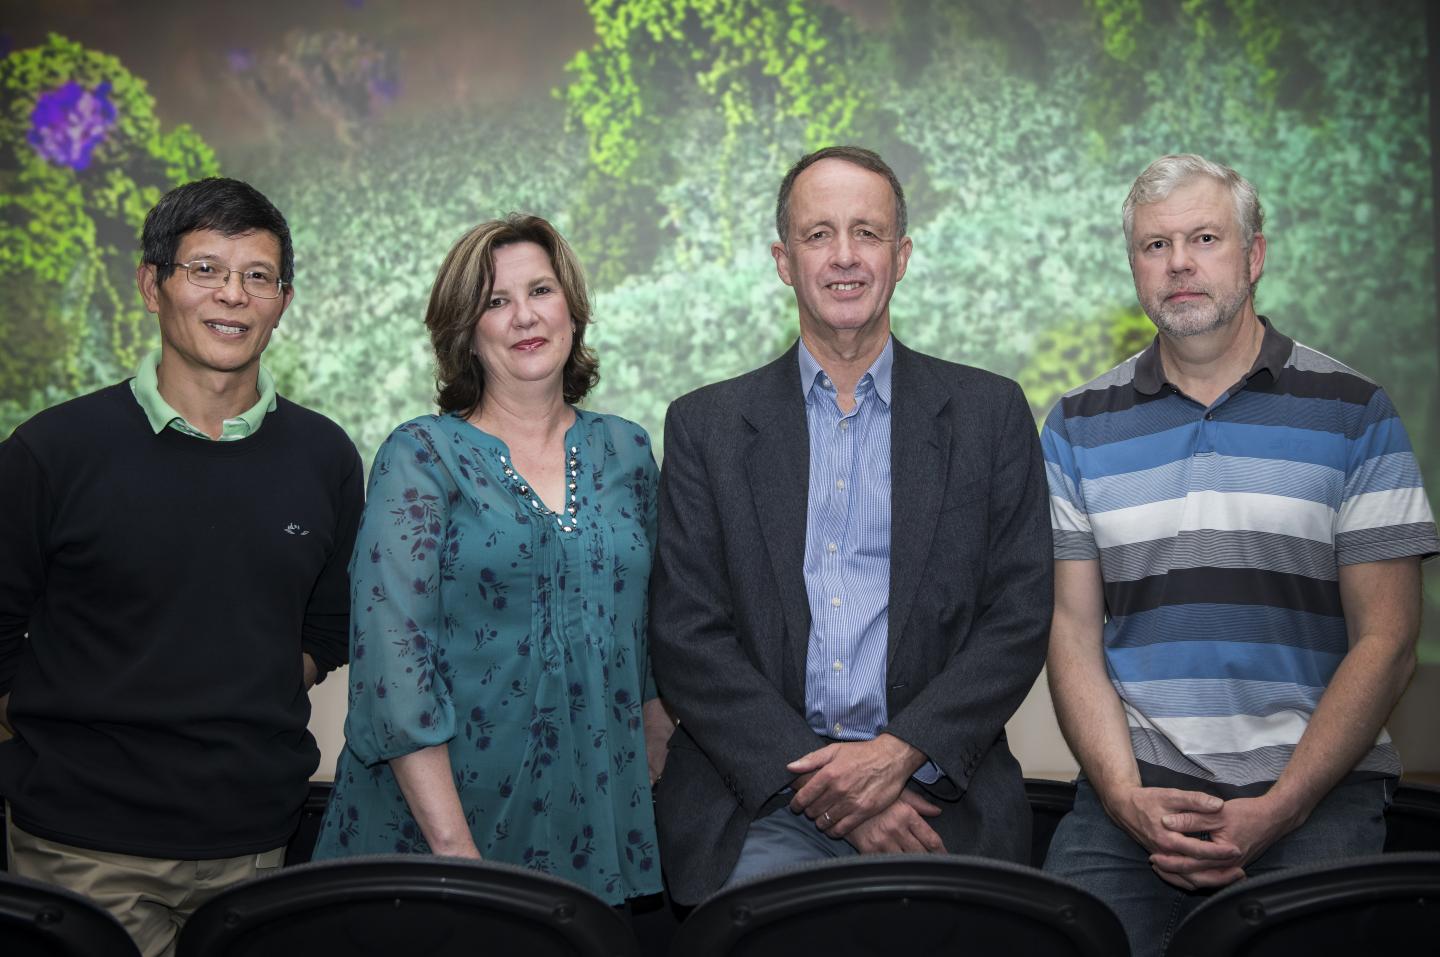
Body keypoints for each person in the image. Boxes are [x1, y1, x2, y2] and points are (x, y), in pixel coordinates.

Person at [1040, 153, 1439, 957]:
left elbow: (1388, 640)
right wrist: (1123, 796)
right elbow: (1072, 635)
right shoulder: (1075, 424)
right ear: (1134, 268)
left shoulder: (1355, 412)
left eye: (1204, 238)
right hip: (1134, 802)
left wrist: (1281, 806)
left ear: (1253, 256)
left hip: (1315, 795)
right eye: (1155, 246)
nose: (1179, 263)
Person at [648, 145, 1053, 905]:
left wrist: (896, 756)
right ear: (782, 259)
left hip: (938, 804)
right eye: (818, 234)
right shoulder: (705, 425)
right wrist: (831, 788)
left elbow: (1019, 614)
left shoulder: (990, 414)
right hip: (759, 805)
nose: (844, 257)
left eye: (866, 233)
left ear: (901, 257)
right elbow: (686, 634)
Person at [0, 177, 363, 957]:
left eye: (257, 276)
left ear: (282, 299)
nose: (232, 295)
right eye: (205, 269)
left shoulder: (325, 455)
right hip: (82, 850)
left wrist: (244, 683)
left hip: (260, 847)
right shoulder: (51, 452)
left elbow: (329, 624)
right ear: (150, 284)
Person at [311, 214, 670, 906]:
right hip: (438, 834)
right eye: (495, 301)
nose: (523, 317)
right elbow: (394, 670)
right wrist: (457, 858)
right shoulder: (420, 455)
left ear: (572, 306)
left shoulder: (627, 453)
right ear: (465, 331)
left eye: (540, 290)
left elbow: (650, 639)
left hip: (590, 826)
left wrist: (642, 799)